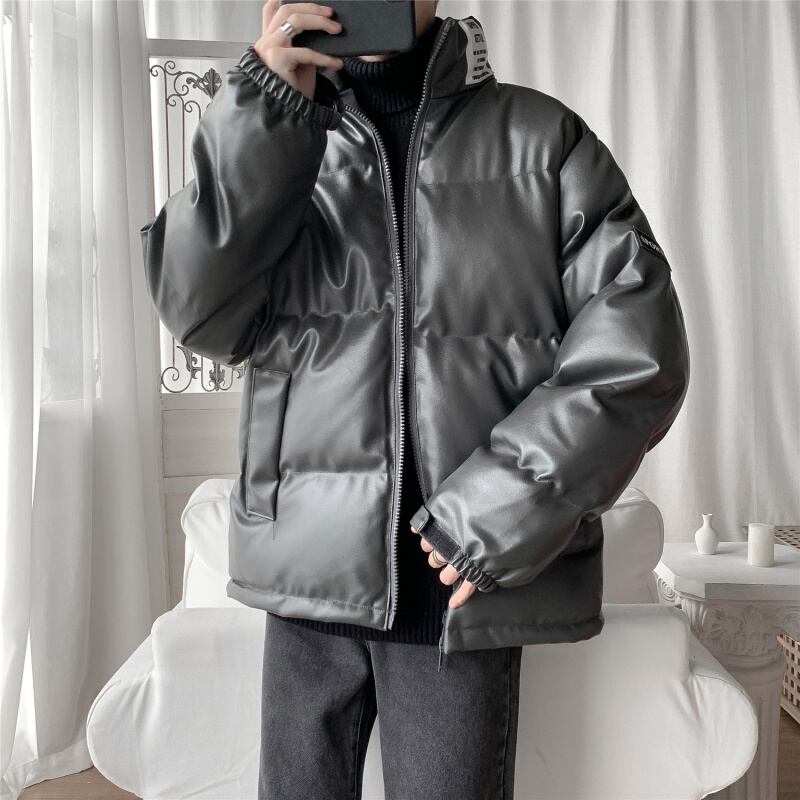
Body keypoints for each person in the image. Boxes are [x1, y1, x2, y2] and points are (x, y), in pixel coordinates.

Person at [140, 1, 690, 798]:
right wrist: (264, 109)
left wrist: (497, 512)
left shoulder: (543, 141)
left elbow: (640, 349)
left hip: (459, 584)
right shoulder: (280, 134)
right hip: (307, 571)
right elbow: (198, 313)